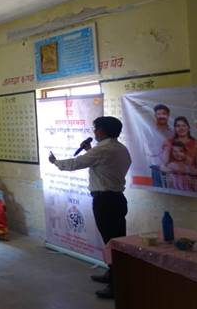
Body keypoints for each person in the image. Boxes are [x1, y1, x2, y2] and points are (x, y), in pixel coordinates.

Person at [49, 116, 131, 299]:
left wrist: (55, 162)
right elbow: (104, 166)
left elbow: (74, 164)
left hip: (105, 201)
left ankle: (116, 285)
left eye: (95, 129)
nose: (94, 133)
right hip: (117, 199)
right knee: (116, 241)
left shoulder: (103, 149)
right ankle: (113, 274)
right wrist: (90, 150)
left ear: (101, 131)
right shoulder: (120, 148)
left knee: (111, 241)